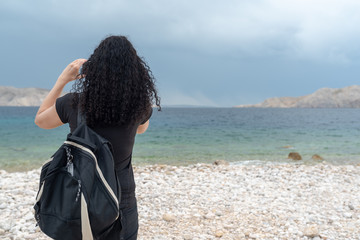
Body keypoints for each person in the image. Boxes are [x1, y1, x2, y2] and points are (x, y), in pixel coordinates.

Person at [34, 35, 161, 240]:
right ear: (136, 73)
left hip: (81, 195)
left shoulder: (74, 103)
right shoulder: (139, 105)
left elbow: (41, 120)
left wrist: (62, 80)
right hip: (121, 198)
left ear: (94, 69)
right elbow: (141, 129)